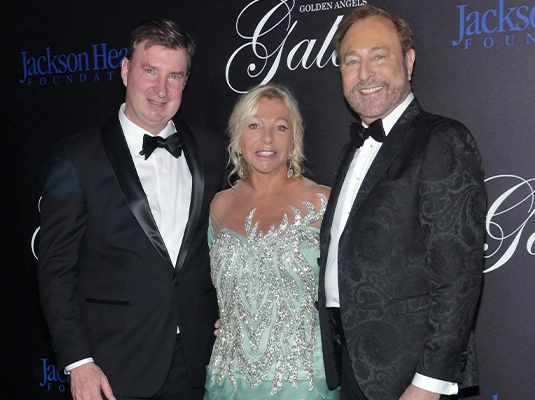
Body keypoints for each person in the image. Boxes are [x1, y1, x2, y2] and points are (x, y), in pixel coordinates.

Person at [38, 19, 227, 400]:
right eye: (150, 71)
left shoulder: (213, 152)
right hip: (113, 368)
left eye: (175, 75)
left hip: (199, 363)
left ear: (186, 82)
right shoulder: (76, 158)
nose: (161, 89)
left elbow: (229, 242)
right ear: (126, 70)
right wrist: (79, 362)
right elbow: (56, 269)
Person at [318, 5, 487, 400]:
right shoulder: (350, 152)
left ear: (408, 62)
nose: (364, 74)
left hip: (411, 379)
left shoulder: (442, 140)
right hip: (354, 369)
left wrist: (428, 384)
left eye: (379, 56)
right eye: (351, 61)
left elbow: (457, 279)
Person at [203, 84, 338, 400]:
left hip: (303, 381)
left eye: (280, 127)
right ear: (237, 136)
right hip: (229, 380)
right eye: (254, 126)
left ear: (293, 140)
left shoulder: (323, 201)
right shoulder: (219, 206)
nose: (267, 138)